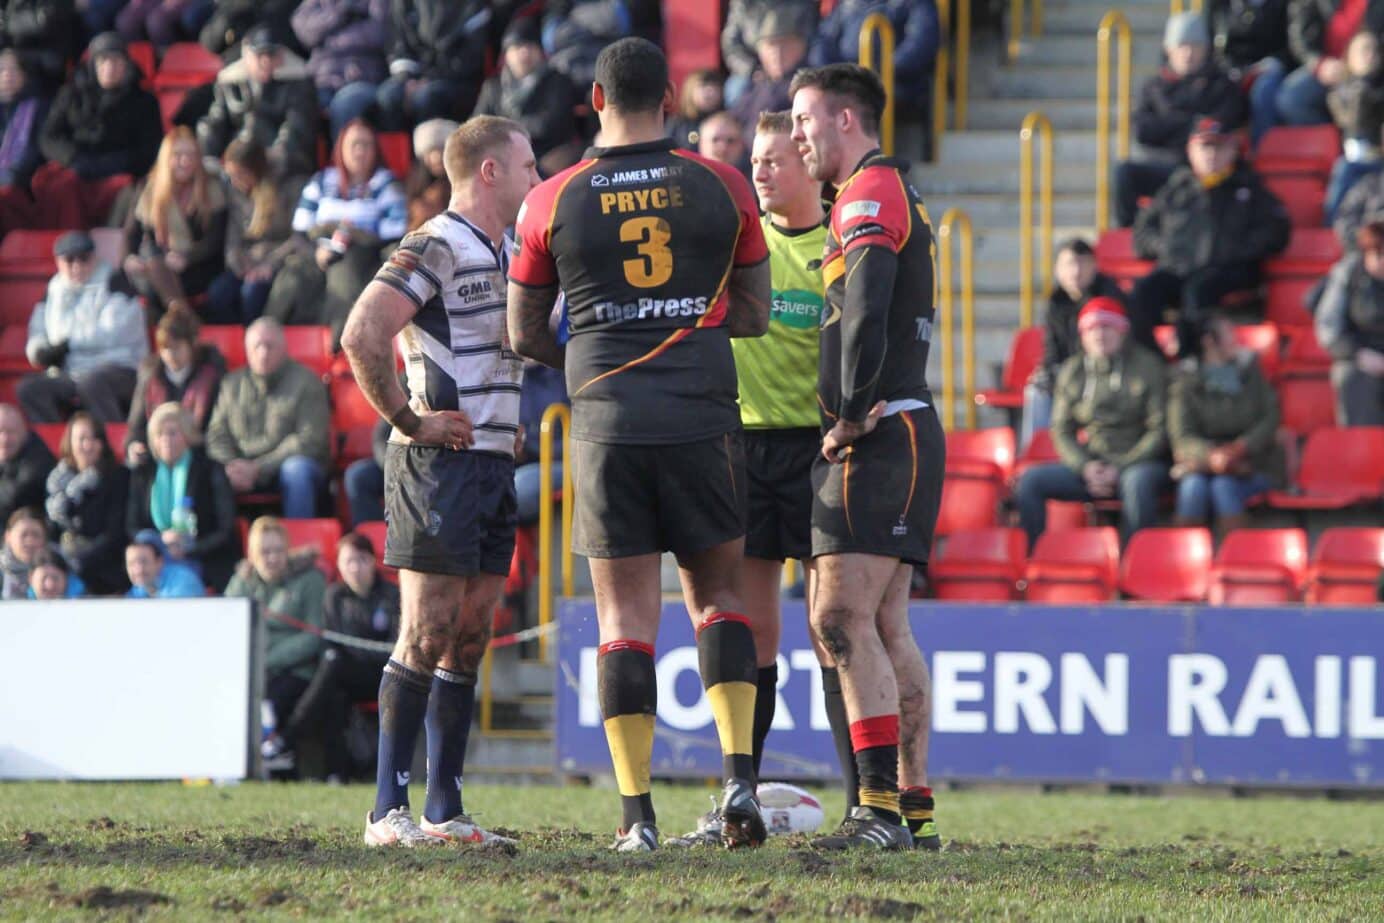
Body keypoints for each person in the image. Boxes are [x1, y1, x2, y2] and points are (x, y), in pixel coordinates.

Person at [508, 37, 771, 852]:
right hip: (702, 414)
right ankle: (738, 782)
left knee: (624, 616)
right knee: (720, 598)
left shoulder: (550, 200)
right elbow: (756, 315)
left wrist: (594, 359)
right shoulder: (723, 185)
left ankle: (637, 816)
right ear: (671, 99)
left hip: (606, 424)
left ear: (594, 99)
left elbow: (524, 334)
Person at [340, 114, 537, 848]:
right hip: (438, 465)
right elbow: (362, 332)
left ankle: (444, 809)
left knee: (471, 633)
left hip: (491, 462)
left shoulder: (506, 246)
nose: (535, 178)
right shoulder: (435, 241)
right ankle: (385, 812)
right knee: (425, 631)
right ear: (489, 171)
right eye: (527, 165)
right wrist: (410, 418)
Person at [788, 62, 944, 851]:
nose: (795, 137)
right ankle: (911, 809)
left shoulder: (868, 194)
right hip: (908, 428)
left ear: (846, 120)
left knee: (838, 616)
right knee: (886, 621)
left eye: (804, 120)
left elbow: (869, 306)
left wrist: (848, 414)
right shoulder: (884, 191)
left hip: (881, 432)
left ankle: (877, 809)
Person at [1014, 298, 1171, 547]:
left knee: (1138, 482)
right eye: (1091, 329)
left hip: (1137, 461)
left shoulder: (1148, 367)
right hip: (1093, 465)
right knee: (1031, 481)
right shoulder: (1073, 371)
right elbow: (1061, 430)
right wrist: (1085, 467)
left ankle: (1134, 565)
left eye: (1107, 327)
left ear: (1122, 330)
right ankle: (1035, 560)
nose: (1099, 334)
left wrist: (1119, 466)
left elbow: (1159, 430)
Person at [1129, 117, 1291, 355]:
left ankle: (1192, 365)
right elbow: (1142, 233)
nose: (1211, 154)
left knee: (1198, 291)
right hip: (1178, 267)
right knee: (1144, 292)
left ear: (1233, 150)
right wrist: (1167, 247)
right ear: (1190, 150)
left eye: (1219, 146)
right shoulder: (1177, 189)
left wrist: (1233, 251)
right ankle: (1151, 362)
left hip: (1227, 272)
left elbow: (1277, 231)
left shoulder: (1248, 187)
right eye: (1205, 146)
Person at [260, 531, 401, 779]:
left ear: (373, 561)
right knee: (334, 693)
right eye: (349, 561)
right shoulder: (334, 596)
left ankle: (286, 739)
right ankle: (336, 774)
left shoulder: (392, 595)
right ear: (339, 566)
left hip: (385, 676)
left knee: (333, 665)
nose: (355, 568)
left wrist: (355, 655)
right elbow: (333, 643)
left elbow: (391, 648)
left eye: (361, 560)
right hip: (345, 675)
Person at [264, 118, 406, 346]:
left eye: (366, 145)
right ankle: (267, 340)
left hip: (363, 253)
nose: (360, 151)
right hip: (318, 249)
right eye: (354, 145)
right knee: (290, 278)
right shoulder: (321, 181)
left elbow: (395, 232)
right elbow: (301, 229)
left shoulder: (386, 185)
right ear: (341, 149)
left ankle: (339, 350)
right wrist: (317, 252)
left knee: (344, 276)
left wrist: (354, 234)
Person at [1113, 11, 1246, 228]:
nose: (1188, 53)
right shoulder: (1153, 87)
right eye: (1181, 45)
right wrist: (1190, 122)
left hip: (1209, 169)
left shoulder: (1222, 84)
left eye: (1195, 45)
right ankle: (1129, 235)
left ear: (1206, 49)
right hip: (1166, 167)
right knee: (1124, 173)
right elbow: (1142, 131)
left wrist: (1169, 124)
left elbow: (1220, 125)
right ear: (1168, 49)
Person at [225, 516, 328, 764]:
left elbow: (315, 635)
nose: (272, 558)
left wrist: (268, 660)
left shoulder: (310, 579)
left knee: (274, 694)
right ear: (251, 554)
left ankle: (273, 753)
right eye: (264, 551)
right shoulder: (241, 583)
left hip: (297, 668)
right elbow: (228, 628)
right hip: (250, 669)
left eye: (278, 550)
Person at [1168, 312, 1282, 533]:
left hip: (1254, 462)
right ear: (1209, 341)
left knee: (1223, 486)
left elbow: (1270, 417)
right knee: (1193, 487)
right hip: (1203, 464)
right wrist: (1212, 456)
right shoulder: (1185, 381)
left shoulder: (1251, 370)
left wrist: (1239, 448)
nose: (1236, 339)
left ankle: (1238, 553)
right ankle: (1182, 558)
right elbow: (1181, 436)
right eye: (1229, 334)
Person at [205, 318, 330, 518]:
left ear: (284, 348)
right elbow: (217, 434)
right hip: (240, 467)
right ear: (247, 351)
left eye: (270, 346)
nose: (263, 353)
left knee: (297, 470)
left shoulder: (307, 382)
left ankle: (300, 540)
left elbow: (309, 440)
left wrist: (259, 468)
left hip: (284, 467)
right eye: (257, 346)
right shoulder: (230, 385)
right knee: (206, 472)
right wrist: (231, 465)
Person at [35, 32, 162, 229]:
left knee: (127, 190)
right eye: (103, 60)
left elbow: (150, 147)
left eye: (116, 61)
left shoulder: (144, 101)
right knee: (62, 186)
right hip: (78, 166)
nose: (109, 67)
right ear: (93, 64)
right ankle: (71, 247)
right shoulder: (71, 94)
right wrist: (73, 158)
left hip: (121, 170)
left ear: (126, 64)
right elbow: (49, 136)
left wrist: (119, 162)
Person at [20, 231, 147, 424]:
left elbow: (112, 333)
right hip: (71, 371)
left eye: (84, 258)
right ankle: (55, 445)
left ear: (95, 257)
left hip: (120, 366)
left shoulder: (116, 282)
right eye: (69, 260)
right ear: (58, 262)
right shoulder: (53, 289)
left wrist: (67, 345)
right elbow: (37, 327)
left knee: (93, 384)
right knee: (30, 389)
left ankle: (111, 444)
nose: (77, 266)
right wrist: (39, 351)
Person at [1023, 239, 1128, 450]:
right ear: (1057, 269)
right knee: (1038, 388)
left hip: (1108, 372)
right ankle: (1039, 451)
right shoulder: (1055, 302)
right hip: (1070, 372)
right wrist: (1048, 371)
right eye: (1069, 264)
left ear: (1095, 266)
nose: (1076, 271)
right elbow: (1051, 349)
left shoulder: (1109, 297)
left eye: (1082, 263)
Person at [808, 0, 942, 160]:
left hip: (897, 86)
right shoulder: (848, 5)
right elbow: (823, 42)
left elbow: (922, 42)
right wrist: (839, 75)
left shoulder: (913, 4)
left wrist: (882, 71)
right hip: (849, 84)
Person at [126, 401, 238, 590]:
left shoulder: (210, 470)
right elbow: (132, 526)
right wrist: (158, 546)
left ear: (187, 435)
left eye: (172, 433)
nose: (166, 440)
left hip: (203, 558)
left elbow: (225, 530)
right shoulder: (144, 473)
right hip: (154, 560)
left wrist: (188, 547)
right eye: (160, 434)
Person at [122, 126, 229, 317]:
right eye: (178, 155)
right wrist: (128, 257)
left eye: (191, 155)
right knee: (149, 266)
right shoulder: (149, 187)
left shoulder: (212, 187)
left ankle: (179, 320)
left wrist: (186, 257)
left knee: (154, 272)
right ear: (166, 158)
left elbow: (215, 240)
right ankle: (182, 316)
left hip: (197, 265)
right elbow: (131, 232)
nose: (185, 161)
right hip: (159, 262)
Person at [196, 26, 319, 181]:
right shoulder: (230, 82)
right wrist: (209, 156)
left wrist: (268, 159)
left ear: (281, 55)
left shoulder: (298, 84)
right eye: (260, 54)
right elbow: (215, 122)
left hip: (280, 166)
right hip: (235, 164)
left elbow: (297, 129)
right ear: (246, 54)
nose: (266, 60)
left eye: (271, 54)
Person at [207, 139, 301, 325]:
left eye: (240, 175)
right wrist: (239, 264)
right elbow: (233, 236)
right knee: (218, 293)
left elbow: (299, 237)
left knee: (252, 293)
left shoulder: (290, 185)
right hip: (249, 260)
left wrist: (270, 264)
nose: (234, 181)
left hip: (280, 261)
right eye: (231, 175)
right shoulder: (236, 191)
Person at [474, 16, 580, 176]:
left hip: (548, 153)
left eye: (530, 46)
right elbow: (477, 124)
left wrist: (502, 130)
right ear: (506, 55)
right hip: (502, 155)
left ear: (540, 51)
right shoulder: (493, 87)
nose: (524, 52)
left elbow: (551, 124)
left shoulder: (557, 80)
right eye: (517, 47)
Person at [125, 308, 226, 466]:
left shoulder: (211, 376)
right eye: (165, 349)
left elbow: (218, 426)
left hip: (199, 456)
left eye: (177, 347)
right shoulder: (150, 376)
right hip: (157, 455)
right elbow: (136, 425)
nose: (171, 355)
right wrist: (134, 445)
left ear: (192, 344)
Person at [44, 411, 130, 594]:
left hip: (105, 571)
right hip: (66, 567)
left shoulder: (118, 476)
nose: (88, 446)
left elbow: (115, 534)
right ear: (70, 442)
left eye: (94, 438)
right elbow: (52, 529)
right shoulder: (58, 480)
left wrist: (78, 562)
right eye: (81, 439)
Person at [374, 0, 490, 130]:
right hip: (416, 76)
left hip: (458, 80)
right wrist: (407, 77)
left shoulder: (472, 5)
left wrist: (429, 78)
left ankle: (433, 149)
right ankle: (397, 151)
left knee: (427, 98)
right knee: (389, 96)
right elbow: (399, 46)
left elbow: (470, 58)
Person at [1271, 0, 1383, 128]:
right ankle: (1330, 143)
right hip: (1328, 66)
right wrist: (1319, 64)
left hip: (1372, 67)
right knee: (1291, 98)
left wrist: (1370, 59)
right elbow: (1299, 37)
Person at [1316, 219, 1384, 424]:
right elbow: (1329, 328)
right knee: (1350, 377)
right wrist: (1358, 354)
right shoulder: (1347, 273)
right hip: (1362, 357)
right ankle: (1359, 449)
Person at [290, 0, 388, 139]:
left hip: (363, 78)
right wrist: (339, 14)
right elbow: (304, 30)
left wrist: (330, 38)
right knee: (300, 104)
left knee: (346, 103)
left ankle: (340, 159)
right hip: (322, 80)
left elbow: (379, 33)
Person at [1209, 0, 1293, 143]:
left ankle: (1261, 150)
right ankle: (1221, 149)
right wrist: (1233, 69)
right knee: (1219, 89)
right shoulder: (1220, 4)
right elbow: (1216, 47)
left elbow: (1293, 43)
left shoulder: (1285, 4)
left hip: (1271, 68)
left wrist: (1273, 62)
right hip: (1232, 68)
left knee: (1264, 90)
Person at [1325, 30, 1384, 221]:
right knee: (1343, 171)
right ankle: (1331, 230)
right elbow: (1356, 122)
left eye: (1374, 50)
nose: (1370, 56)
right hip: (1356, 160)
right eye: (1363, 50)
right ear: (1349, 57)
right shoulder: (1339, 93)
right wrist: (1363, 86)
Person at [729, 8, 813, 137]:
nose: (777, 53)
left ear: (801, 48)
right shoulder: (756, 86)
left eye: (785, 45)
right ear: (760, 52)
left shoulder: (809, 86)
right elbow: (735, 120)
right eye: (770, 46)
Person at [721, 0, 817, 104]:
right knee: (736, 90)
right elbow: (731, 45)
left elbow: (811, 36)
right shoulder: (743, 3)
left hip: (796, 64)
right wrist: (752, 69)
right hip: (752, 68)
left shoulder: (803, 3)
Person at [1, 506, 82, 598]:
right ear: (8, 536)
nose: (30, 541)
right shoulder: (2, 573)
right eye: (23, 535)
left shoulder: (66, 567)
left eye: (36, 535)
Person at [0, 48, 47, 195]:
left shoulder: (37, 108)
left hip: (20, 182)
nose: (7, 75)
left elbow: (34, 151)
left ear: (24, 75)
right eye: (2, 69)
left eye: (14, 69)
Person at [0, 403, 55, 526]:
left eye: (11, 432)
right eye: (0, 432)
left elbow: (14, 497)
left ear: (24, 432)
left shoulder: (39, 458)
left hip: (34, 532)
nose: (4, 439)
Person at [404, 118, 456, 231]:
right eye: (431, 151)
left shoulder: (461, 187)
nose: (436, 158)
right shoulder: (416, 189)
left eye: (442, 150)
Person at [125, 528, 206, 598]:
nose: (138, 570)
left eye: (144, 562)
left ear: (160, 562)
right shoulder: (139, 588)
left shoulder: (183, 581)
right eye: (131, 563)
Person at [666, 68, 723, 151]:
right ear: (690, 90)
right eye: (703, 86)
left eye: (715, 86)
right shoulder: (678, 123)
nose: (710, 91)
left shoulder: (727, 123)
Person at [698, 110, 749, 176]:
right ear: (701, 144)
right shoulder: (686, 180)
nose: (722, 147)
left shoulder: (754, 182)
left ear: (742, 145)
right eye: (715, 140)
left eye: (730, 141)